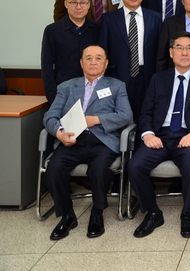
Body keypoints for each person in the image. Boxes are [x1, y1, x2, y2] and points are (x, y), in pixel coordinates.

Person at [128, 32, 190, 238]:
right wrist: (148, 134)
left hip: (188, 136)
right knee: (134, 166)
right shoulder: (158, 79)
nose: (184, 52)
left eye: (189, 48)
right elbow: (146, 112)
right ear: (171, 52)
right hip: (160, 136)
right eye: (179, 47)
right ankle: (153, 213)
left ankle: (187, 213)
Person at [43, 45, 132, 240]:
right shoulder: (66, 87)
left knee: (99, 169)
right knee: (54, 168)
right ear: (81, 63)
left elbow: (125, 115)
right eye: (88, 58)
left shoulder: (117, 86)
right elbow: (50, 116)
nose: (93, 62)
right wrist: (59, 133)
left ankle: (97, 213)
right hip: (71, 139)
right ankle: (67, 215)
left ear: (106, 64)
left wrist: (96, 120)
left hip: (102, 140)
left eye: (98, 58)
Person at [98, 0, 161, 123]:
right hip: (117, 76)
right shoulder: (109, 19)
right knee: (118, 116)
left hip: (147, 76)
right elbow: (102, 51)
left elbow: (160, 50)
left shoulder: (155, 18)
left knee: (145, 117)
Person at [42, 0, 99, 103]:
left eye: (82, 3)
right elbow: (47, 65)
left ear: (88, 5)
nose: (78, 7)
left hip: (94, 92)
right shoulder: (52, 30)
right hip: (64, 92)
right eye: (74, 3)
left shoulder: (97, 30)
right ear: (66, 4)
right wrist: (53, 96)